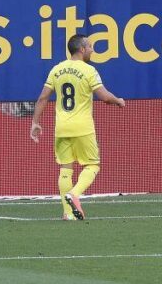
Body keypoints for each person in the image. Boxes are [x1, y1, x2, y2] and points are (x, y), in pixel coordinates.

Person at [31, 33, 126, 221]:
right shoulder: (89, 70)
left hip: (62, 128)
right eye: (89, 46)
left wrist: (35, 122)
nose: (92, 50)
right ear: (82, 49)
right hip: (83, 128)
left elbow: (43, 98)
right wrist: (118, 101)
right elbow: (105, 97)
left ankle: (68, 213)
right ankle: (75, 194)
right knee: (92, 165)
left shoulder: (57, 69)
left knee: (66, 169)